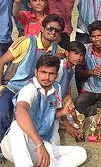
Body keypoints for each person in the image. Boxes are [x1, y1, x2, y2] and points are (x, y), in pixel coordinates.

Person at [1, 55, 87, 167]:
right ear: (36, 72)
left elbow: (51, 114)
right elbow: (20, 111)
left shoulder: (56, 88)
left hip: (40, 145)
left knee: (81, 153)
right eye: (43, 72)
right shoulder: (29, 89)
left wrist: (65, 112)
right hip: (17, 145)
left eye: (51, 73)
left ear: (56, 75)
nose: (47, 77)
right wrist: (39, 144)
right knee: (17, 126)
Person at [0, 14, 65, 151]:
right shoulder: (26, 42)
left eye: (57, 30)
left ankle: (35, 145)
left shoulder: (55, 49)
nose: (53, 32)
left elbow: (68, 56)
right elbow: (1, 61)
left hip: (34, 92)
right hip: (13, 88)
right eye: (50, 28)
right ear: (42, 28)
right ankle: (2, 148)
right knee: (3, 113)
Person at [75, 21, 101, 116]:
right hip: (89, 90)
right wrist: (91, 72)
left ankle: (96, 108)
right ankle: (97, 108)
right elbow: (78, 71)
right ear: (90, 38)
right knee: (78, 105)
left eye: (100, 35)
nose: (97, 39)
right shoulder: (84, 49)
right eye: (93, 36)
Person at [56, 41, 86, 139]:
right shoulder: (60, 68)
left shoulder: (71, 69)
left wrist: (71, 105)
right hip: (51, 104)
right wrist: (68, 126)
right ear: (67, 53)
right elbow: (54, 98)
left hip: (60, 103)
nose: (78, 58)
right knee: (73, 125)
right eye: (76, 54)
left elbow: (67, 88)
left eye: (81, 55)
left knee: (79, 120)